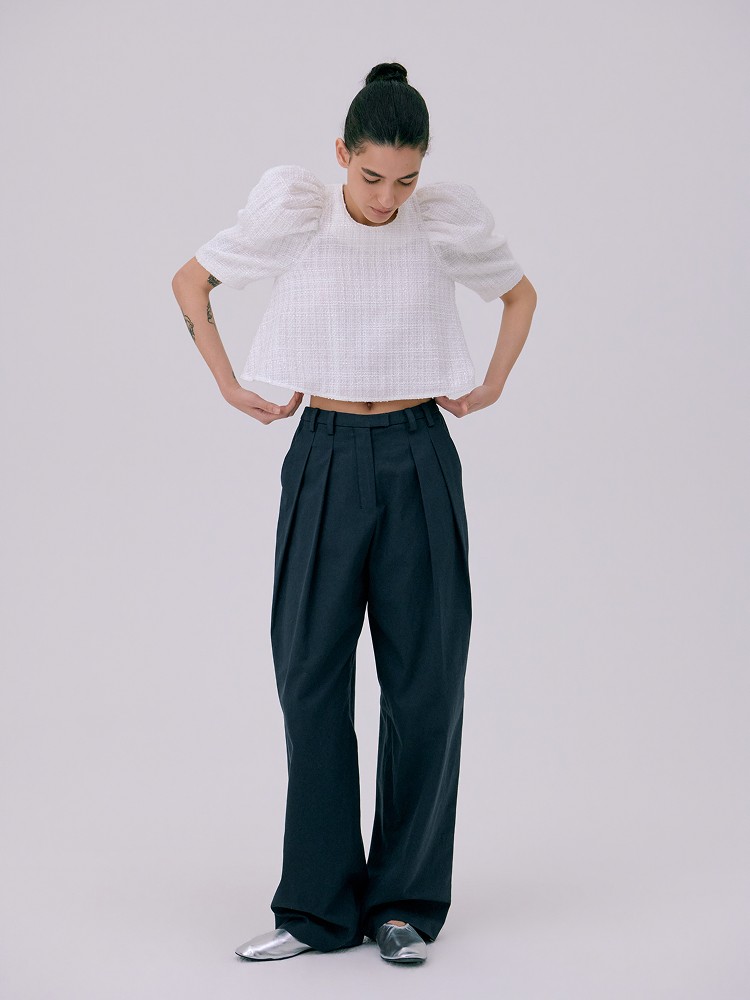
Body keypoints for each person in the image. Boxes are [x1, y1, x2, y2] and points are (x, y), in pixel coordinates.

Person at [171, 61, 537, 965]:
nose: (387, 197)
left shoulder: (441, 223)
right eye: (372, 176)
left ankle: (404, 905)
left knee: (425, 684)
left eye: (405, 179)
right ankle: (316, 908)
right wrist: (228, 383)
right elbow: (191, 281)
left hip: (418, 456)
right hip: (325, 455)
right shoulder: (298, 215)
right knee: (309, 677)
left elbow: (520, 294)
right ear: (341, 154)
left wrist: (492, 383)